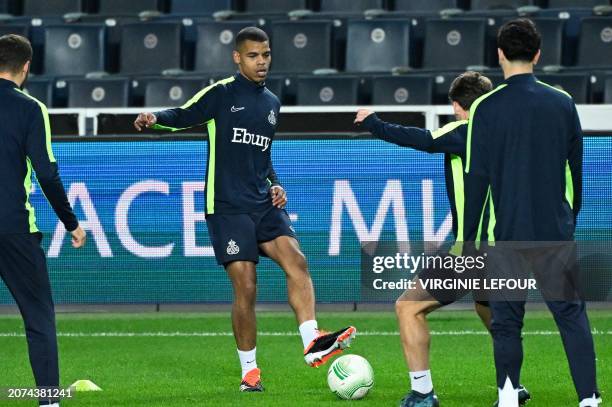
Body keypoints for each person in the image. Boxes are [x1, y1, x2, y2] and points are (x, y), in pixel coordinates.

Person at [134, 26, 355, 392]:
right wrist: (152, 117)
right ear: (238, 57)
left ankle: (312, 343)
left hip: (262, 201)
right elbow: (183, 114)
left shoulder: (272, 102)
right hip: (227, 206)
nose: (262, 61)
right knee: (247, 287)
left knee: (297, 260)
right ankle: (250, 373)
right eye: (253, 55)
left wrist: (276, 182)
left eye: (266, 54)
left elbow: (263, 155)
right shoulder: (221, 94)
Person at [355, 72, 529, 407]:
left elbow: (422, 139)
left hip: (474, 250)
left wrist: (374, 123)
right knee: (488, 309)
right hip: (511, 249)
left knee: (408, 307)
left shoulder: (465, 131)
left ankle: (422, 393)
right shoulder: (513, 136)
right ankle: (512, 389)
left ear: (457, 106)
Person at [464, 19, 600, 407]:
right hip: (554, 229)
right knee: (571, 316)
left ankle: (508, 397)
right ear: (538, 54)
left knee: (507, 322)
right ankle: (588, 400)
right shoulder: (562, 102)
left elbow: (476, 180)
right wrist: (568, 219)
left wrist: (470, 242)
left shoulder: (483, 108)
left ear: (500, 55)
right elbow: (575, 170)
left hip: (505, 233)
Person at [0, 34, 86, 407]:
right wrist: (71, 223)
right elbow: (47, 175)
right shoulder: (30, 109)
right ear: (27, 67)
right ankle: (49, 400)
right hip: (14, 228)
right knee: (38, 319)